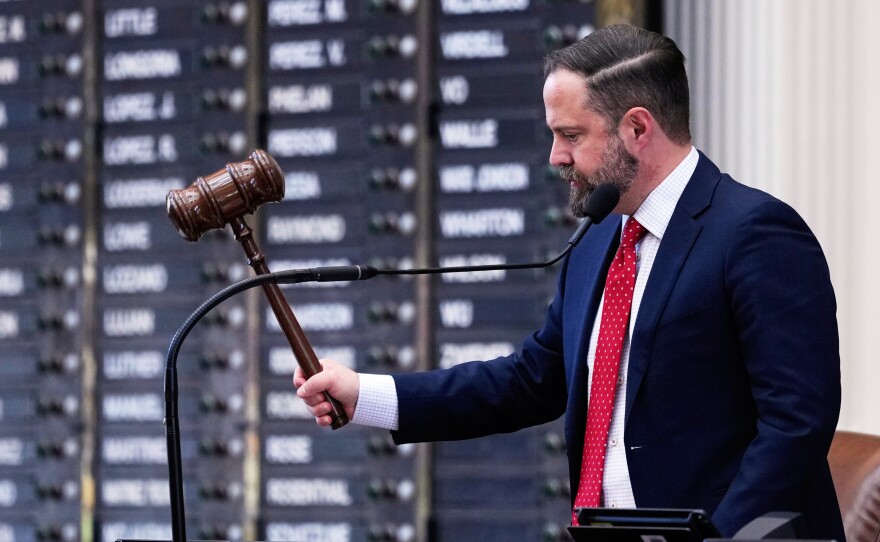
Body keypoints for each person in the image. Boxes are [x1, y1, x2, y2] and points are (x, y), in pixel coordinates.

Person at [294, 24, 844, 540]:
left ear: (637, 128)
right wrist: (366, 395)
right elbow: (532, 380)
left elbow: (796, 423)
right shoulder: (599, 240)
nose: (556, 156)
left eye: (571, 135)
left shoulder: (755, 232)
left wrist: (721, 537)